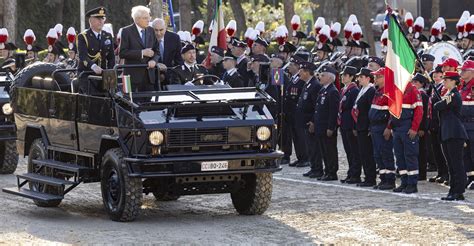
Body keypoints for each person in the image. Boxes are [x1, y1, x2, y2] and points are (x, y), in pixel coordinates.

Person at [434, 71, 468, 201]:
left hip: (454, 133)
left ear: (454, 81)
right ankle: (453, 190)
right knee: (451, 164)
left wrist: (440, 101)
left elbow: (438, 106)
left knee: (456, 163)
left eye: (447, 80)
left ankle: (458, 191)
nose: (444, 82)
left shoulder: (453, 94)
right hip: (448, 133)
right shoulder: (448, 94)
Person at [391, 72, 423, 194]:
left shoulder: (413, 91)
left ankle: (412, 184)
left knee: (410, 156)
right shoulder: (397, 90)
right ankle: (404, 182)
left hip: (407, 126)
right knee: (399, 157)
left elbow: (419, 111)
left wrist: (414, 128)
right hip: (397, 127)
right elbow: (392, 110)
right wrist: (391, 126)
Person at [366, 67, 395, 189]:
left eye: (379, 76)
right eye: (375, 76)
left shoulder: (389, 92)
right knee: (377, 154)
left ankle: (390, 180)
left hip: (383, 127)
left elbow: (393, 113)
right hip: (375, 127)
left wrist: (389, 127)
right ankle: (383, 179)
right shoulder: (378, 91)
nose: (375, 79)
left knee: (385, 153)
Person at [119, 5, 160, 92]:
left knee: (150, 104)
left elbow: (157, 50)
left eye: (149, 17)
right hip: (132, 77)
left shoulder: (151, 30)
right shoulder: (127, 31)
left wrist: (154, 60)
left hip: (149, 77)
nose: (148, 20)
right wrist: (141, 52)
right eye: (145, 18)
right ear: (137, 19)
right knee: (133, 103)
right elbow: (122, 53)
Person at [77, 6, 115, 94]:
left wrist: (110, 71)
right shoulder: (83, 36)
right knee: (93, 100)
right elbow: (83, 56)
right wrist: (93, 67)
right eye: (98, 18)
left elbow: (111, 57)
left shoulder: (107, 36)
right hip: (87, 74)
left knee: (111, 99)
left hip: (104, 75)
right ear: (90, 20)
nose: (101, 21)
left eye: (102, 18)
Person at [311, 65, 340, 181]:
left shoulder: (333, 91)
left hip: (327, 127)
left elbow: (333, 112)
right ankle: (327, 170)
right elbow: (317, 108)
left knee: (330, 151)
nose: (320, 77)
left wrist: (331, 127)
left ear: (330, 78)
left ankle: (332, 172)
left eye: (323, 75)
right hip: (320, 126)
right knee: (324, 151)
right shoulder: (323, 90)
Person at [296, 61, 321, 174]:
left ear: (307, 72)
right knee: (310, 146)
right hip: (304, 120)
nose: (299, 73)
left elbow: (316, 105)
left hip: (310, 121)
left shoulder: (315, 85)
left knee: (314, 146)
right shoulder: (307, 84)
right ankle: (313, 167)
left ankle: (317, 168)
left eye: (301, 71)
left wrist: (313, 121)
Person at [353, 68, 376, 185]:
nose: (359, 79)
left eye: (361, 77)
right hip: (360, 125)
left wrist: (369, 127)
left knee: (368, 153)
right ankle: (367, 176)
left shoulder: (371, 90)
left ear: (368, 78)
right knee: (363, 153)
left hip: (366, 126)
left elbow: (370, 110)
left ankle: (370, 178)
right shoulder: (362, 89)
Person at [338, 66, 361, 184]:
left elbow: (354, 109)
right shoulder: (343, 90)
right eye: (342, 75)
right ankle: (351, 172)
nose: (342, 77)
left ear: (352, 77)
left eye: (345, 75)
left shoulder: (354, 90)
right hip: (343, 123)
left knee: (354, 151)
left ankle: (355, 174)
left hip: (350, 124)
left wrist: (354, 126)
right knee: (348, 150)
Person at [428, 65, 450, 184]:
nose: (435, 76)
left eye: (438, 74)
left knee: (442, 151)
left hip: (440, 122)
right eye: (434, 75)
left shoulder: (443, 88)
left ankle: (446, 173)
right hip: (433, 122)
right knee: (436, 149)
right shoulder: (434, 87)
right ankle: (440, 172)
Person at [283, 56, 306, 166]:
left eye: (291, 65)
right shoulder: (293, 78)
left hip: (297, 112)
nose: (289, 67)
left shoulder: (301, 80)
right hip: (291, 112)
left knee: (300, 136)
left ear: (297, 66)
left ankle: (304, 158)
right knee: (295, 137)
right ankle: (300, 157)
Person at [412, 73, 431, 181]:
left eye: (416, 82)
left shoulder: (422, 95)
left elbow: (423, 113)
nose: (413, 84)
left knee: (421, 151)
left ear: (421, 84)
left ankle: (422, 173)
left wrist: (422, 128)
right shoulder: (417, 93)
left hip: (421, 127)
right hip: (417, 126)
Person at [459, 60, 474, 189]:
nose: (461, 72)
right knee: (466, 153)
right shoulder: (463, 86)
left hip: (472, 124)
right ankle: (471, 177)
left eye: (464, 70)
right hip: (464, 125)